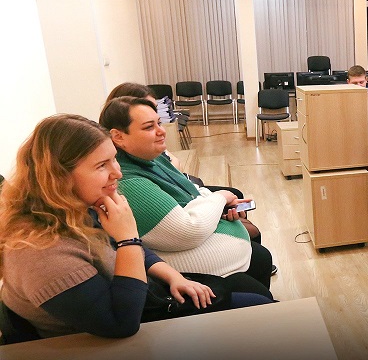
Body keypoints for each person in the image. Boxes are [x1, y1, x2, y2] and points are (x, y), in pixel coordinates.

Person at [0, 115, 270, 339]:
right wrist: (128, 238)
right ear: (59, 177)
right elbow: (121, 324)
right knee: (258, 311)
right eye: (102, 165)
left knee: (256, 303)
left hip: (137, 302)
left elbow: (134, 253)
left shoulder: (75, 209)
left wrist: (173, 277)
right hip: (109, 338)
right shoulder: (41, 254)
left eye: (114, 159)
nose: (117, 173)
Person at [98, 97, 275, 297]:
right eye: (149, 127)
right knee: (260, 296)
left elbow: (193, 191)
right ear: (118, 136)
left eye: (159, 123)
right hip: (201, 276)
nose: (161, 131)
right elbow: (188, 230)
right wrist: (220, 198)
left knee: (261, 259)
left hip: (222, 259)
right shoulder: (129, 182)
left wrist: (218, 208)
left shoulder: (151, 157)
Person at [104, 83, 265, 248]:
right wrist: (216, 202)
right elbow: (185, 224)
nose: (161, 130)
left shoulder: (150, 153)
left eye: (157, 117)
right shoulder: (129, 176)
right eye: (148, 124)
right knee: (254, 241)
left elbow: (176, 165)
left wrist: (214, 205)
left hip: (188, 193)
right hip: (189, 211)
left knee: (236, 205)